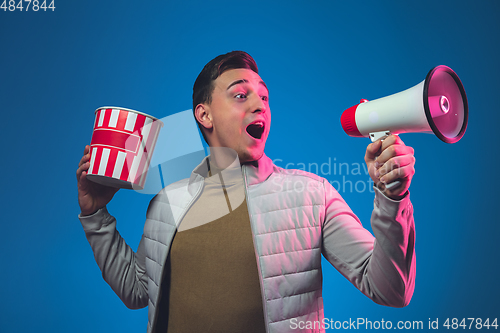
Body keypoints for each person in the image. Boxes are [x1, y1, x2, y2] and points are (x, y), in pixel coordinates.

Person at [76, 51, 416, 333]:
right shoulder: (167, 203)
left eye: (264, 97)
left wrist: (392, 199)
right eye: (241, 95)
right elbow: (138, 292)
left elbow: (391, 290)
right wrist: (95, 216)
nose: (260, 105)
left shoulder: (312, 194)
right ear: (204, 114)